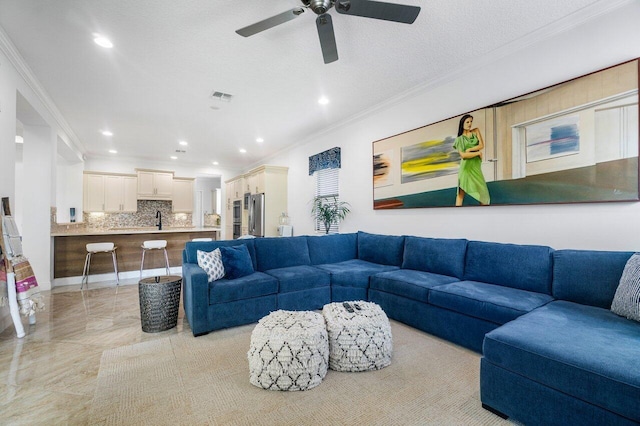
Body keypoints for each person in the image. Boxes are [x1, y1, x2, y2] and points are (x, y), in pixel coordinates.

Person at [453, 114, 490, 206]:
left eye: (471, 122)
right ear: (462, 123)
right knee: (461, 192)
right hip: (466, 168)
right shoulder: (459, 139)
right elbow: (463, 155)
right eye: (467, 122)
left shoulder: (476, 131)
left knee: (482, 191)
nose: (470, 124)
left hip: (475, 167)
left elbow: (481, 145)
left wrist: (470, 149)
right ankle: (456, 214)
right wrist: (477, 153)